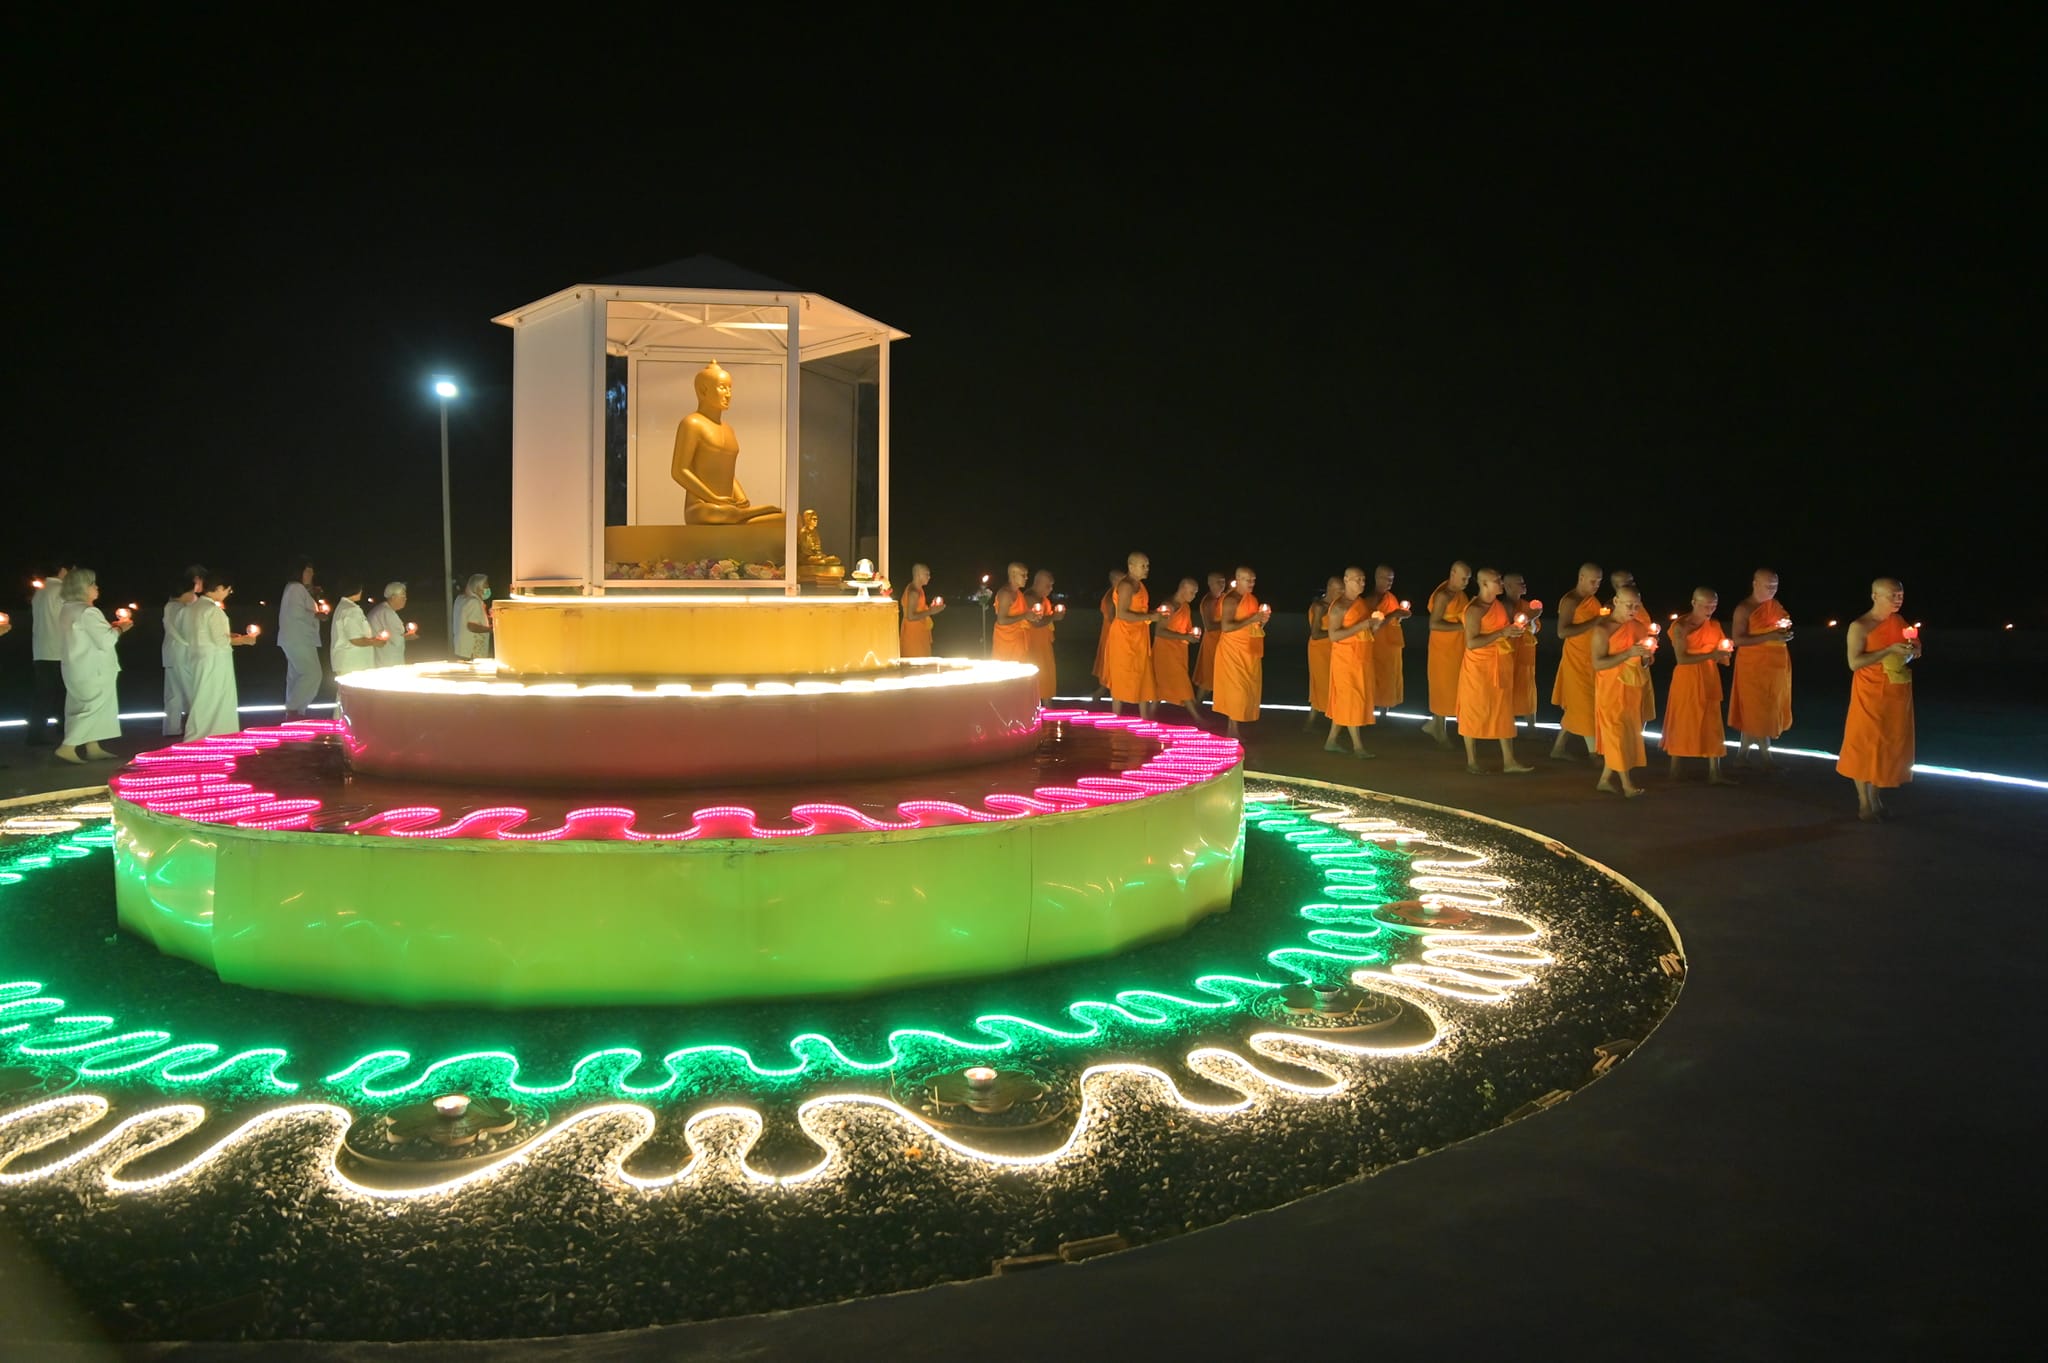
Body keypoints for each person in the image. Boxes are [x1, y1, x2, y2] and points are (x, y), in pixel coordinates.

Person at [1839, 578, 1919, 822]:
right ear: (1875, 596)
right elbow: (1854, 663)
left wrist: (1911, 651)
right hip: (1869, 693)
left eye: (1900, 595)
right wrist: (1889, 651)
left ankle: (1876, 799)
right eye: (1892, 595)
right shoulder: (1860, 626)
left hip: (1895, 693)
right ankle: (1865, 803)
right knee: (1865, 744)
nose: (1898, 599)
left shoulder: (1898, 621)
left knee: (1886, 745)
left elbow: (1911, 649)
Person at [671, 360, 781, 523]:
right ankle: (743, 515)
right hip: (704, 507)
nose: (728, 394)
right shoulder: (692, 423)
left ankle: (742, 515)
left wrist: (741, 499)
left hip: (730, 507)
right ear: (703, 390)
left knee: (784, 519)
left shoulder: (729, 429)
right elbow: (680, 471)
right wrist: (712, 498)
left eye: (730, 388)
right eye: (722, 387)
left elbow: (729, 474)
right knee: (717, 512)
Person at [1457, 568, 1533, 775]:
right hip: (1478, 668)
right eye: (1496, 580)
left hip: (1501, 665)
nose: (1501, 583)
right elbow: (1472, 643)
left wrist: (1515, 629)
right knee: (1473, 710)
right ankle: (1472, 761)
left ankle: (1509, 761)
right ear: (1484, 584)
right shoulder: (1474, 610)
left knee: (1503, 711)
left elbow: (1504, 631)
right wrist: (1501, 632)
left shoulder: (1499, 605)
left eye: (1500, 579)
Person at [55, 568, 131, 763]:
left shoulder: (67, 609)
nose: (97, 587)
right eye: (92, 584)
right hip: (94, 669)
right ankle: (68, 746)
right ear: (82, 588)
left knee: (82, 705)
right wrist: (120, 627)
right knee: (94, 707)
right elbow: (105, 640)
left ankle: (92, 746)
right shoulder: (88, 611)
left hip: (75, 666)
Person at [1663, 587, 1736, 784]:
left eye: (1714, 606)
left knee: (1712, 722)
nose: (1710, 610)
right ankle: (1675, 769)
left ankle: (1715, 772)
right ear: (1694, 603)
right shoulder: (1681, 627)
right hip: (1687, 678)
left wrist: (1725, 651)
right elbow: (1681, 659)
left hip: (1709, 676)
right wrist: (1712, 654)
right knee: (1682, 720)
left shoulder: (1714, 625)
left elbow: (1721, 653)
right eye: (1706, 606)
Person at [1727, 568, 1795, 771]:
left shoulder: (1775, 606)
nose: (1772, 590)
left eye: (1775, 586)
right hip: (1753, 667)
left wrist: (1783, 633)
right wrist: (1770, 636)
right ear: (1755, 584)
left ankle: (1742, 756)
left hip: (1776, 667)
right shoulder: (1744, 608)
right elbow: (1738, 639)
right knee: (1757, 711)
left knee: (1762, 711)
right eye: (1768, 586)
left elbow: (1777, 628)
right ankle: (1767, 759)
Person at [1591, 585, 1653, 798]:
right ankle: (1627, 785)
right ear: (1616, 602)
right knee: (1616, 734)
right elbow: (1598, 663)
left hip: (1631, 689)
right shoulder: (1603, 629)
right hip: (1610, 690)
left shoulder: (1639, 628)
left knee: (1624, 735)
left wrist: (1645, 657)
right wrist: (1627, 654)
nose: (1633, 610)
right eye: (1629, 605)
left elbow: (1646, 662)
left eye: (1637, 606)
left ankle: (1604, 780)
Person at [183, 573, 260, 741]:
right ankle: (216, 734)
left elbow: (202, 633)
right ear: (218, 588)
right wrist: (244, 640)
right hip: (215, 661)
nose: (227, 594)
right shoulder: (212, 610)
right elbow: (220, 641)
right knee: (217, 698)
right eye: (227, 590)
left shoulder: (193, 607)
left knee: (203, 697)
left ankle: (201, 734)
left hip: (198, 658)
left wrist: (230, 635)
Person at [1548, 562, 1605, 761]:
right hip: (1576, 660)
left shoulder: (1591, 600)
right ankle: (1594, 753)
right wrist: (1595, 621)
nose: (1596, 585)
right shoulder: (1570, 600)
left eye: (1599, 581)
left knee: (1578, 706)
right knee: (1585, 705)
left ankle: (1558, 748)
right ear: (1581, 578)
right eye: (1593, 581)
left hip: (1592, 658)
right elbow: (1562, 632)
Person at [1323, 566, 1377, 758]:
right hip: (1345, 661)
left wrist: (1375, 625)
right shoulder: (1339, 607)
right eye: (1358, 580)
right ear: (1346, 580)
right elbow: (1333, 636)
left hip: (1361, 659)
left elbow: (1366, 632)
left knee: (1347, 701)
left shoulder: (1361, 603)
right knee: (1351, 700)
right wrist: (1362, 625)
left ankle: (1331, 741)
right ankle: (1358, 747)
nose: (1362, 583)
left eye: (1363, 579)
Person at [1212, 566, 1269, 739]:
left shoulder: (1251, 599)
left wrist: (1262, 621)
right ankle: (1233, 730)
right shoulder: (1231, 600)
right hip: (1232, 650)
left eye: (1253, 580)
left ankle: (1234, 727)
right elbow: (1226, 627)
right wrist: (1252, 619)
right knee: (1236, 689)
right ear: (1238, 580)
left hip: (1249, 649)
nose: (1251, 583)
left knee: (1246, 689)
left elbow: (1254, 626)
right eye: (1247, 580)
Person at [1422, 561, 1473, 745]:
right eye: (1463, 578)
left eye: (1468, 579)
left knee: (1453, 686)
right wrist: (1463, 627)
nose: (1466, 582)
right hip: (1442, 649)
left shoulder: (1460, 594)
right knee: (1442, 686)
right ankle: (1439, 729)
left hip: (1457, 646)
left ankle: (1435, 725)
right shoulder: (1443, 596)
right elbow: (1433, 624)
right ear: (1453, 574)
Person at [1106, 552, 1160, 718]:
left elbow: (1140, 610)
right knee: (1122, 674)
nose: (1147, 569)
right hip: (1123, 636)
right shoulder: (1126, 586)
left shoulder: (1140, 586)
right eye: (1143, 565)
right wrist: (1149, 617)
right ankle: (1115, 717)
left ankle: (1144, 717)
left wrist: (1153, 614)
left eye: (1147, 565)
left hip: (1139, 636)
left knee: (1143, 674)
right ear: (1131, 566)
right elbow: (1122, 614)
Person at [25, 561, 73, 745]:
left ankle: (36, 733)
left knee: (43, 694)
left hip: (41, 649)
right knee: (61, 693)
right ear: (63, 569)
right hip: (59, 649)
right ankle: (59, 731)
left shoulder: (40, 592)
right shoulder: (62, 591)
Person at [161, 564, 205, 736]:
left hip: (170, 655)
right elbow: (189, 633)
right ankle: (198, 728)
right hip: (183, 655)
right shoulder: (182, 609)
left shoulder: (170, 606)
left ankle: (171, 728)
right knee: (191, 691)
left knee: (173, 694)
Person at [1610, 570, 1658, 725]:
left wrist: (1651, 639)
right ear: (1616, 587)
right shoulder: (1611, 612)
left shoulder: (1639, 607)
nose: (1632, 585)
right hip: (1619, 669)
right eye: (1625, 584)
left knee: (1641, 708)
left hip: (1642, 663)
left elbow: (1644, 630)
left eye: (1632, 582)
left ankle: (1637, 736)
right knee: (1620, 714)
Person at [1151, 576, 1202, 719]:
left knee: (1163, 684)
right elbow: (1159, 631)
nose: (1194, 596)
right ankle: (1197, 718)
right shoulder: (1169, 606)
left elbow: (1186, 628)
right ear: (1183, 589)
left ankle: (1149, 714)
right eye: (1192, 592)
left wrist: (1192, 634)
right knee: (1181, 683)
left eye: (1195, 593)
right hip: (1165, 651)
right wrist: (1184, 637)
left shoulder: (1185, 607)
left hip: (1179, 651)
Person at [278, 558, 323, 716]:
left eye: (312, 571)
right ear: (299, 572)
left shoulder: (296, 588)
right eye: (308, 571)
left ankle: (296, 711)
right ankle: (293, 708)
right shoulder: (295, 588)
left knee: (297, 675)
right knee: (312, 674)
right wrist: (317, 614)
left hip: (295, 638)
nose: (312, 574)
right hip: (299, 638)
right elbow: (296, 614)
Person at [1368, 564, 1409, 719]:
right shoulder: (1371, 600)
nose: (1389, 582)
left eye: (1391, 579)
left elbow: (1393, 621)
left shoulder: (1390, 597)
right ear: (1377, 578)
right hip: (1378, 645)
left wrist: (1400, 616)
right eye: (1386, 578)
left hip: (1392, 645)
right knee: (1378, 677)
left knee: (1391, 678)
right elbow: (1374, 624)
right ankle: (1369, 713)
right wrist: (1394, 615)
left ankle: (1384, 713)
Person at [1503, 572, 1541, 736]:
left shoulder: (1527, 606)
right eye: (1519, 583)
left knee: (1527, 689)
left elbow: (1535, 629)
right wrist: (1529, 618)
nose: (1524, 585)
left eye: (1523, 582)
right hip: (1508, 653)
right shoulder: (1502, 606)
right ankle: (1507, 726)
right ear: (1508, 586)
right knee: (1508, 689)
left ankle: (1531, 727)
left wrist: (1532, 619)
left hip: (1525, 654)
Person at [329, 575, 382, 678]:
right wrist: (375, 642)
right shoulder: (351, 610)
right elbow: (355, 639)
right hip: (354, 663)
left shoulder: (342, 607)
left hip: (346, 662)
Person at [1304, 576, 1339, 731]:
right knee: (1322, 684)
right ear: (1330, 588)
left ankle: (1318, 720)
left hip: (1335, 649)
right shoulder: (1320, 606)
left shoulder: (1338, 605)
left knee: (1334, 683)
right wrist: (1338, 633)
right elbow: (1316, 634)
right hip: (1319, 650)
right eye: (1339, 590)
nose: (1343, 593)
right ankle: (1317, 720)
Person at [1088, 569, 1125, 701]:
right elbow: (1112, 617)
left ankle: (1105, 693)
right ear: (1114, 580)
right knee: (1111, 665)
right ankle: (1103, 694)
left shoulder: (1116, 594)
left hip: (1113, 634)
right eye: (1121, 580)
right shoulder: (1111, 597)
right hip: (1112, 635)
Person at [1192, 571, 1227, 710]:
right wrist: (1229, 624)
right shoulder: (1209, 601)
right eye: (1218, 581)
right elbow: (1210, 626)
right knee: (1208, 678)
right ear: (1210, 583)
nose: (1222, 584)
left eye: (1223, 581)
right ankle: (1196, 706)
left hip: (1223, 641)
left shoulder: (1223, 598)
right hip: (1212, 642)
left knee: (1220, 675)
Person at [990, 562, 1035, 663]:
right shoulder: (1005, 594)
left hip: (1019, 638)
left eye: (1026, 575)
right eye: (1023, 575)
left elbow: (1022, 613)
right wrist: (1024, 616)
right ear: (1013, 575)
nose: (1026, 578)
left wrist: (1031, 615)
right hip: (1006, 641)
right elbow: (1001, 620)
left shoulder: (1019, 593)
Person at [1026, 569, 1059, 701]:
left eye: (1051, 586)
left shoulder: (1042, 599)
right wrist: (1054, 616)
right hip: (1033, 644)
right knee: (1038, 675)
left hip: (1044, 643)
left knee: (1047, 675)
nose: (1050, 589)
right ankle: (1038, 706)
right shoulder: (1029, 598)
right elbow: (1036, 622)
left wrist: (1054, 615)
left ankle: (1047, 705)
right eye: (1048, 585)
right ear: (1038, 583)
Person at [899, 564, 944, 658]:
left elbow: (919, 608)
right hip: (913, 634)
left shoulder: (919, 589)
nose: (929, 577)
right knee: (915, 660)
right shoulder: (913, 592)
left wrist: (931, 607)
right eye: (926, 574)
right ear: (918, 575)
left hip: (920, 631)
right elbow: (910, 616)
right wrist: (931, 611)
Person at [367, 583, 410, 668]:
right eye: (403, 596)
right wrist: (408, 636)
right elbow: (397, 639)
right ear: (393, 597)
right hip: (389, 661)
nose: (405, 599)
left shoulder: (379, 609)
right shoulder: (387, 613)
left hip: (380, 658)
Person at [454, 573, 494, 661]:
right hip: (472, 651)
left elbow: (474, 619)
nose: (488, 588)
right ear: (478, 587)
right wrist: (490, 629)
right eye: (485, 586)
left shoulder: (461, 599)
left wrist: (489, 617)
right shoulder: (474, 602)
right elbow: (471, 626)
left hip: (462, 649)